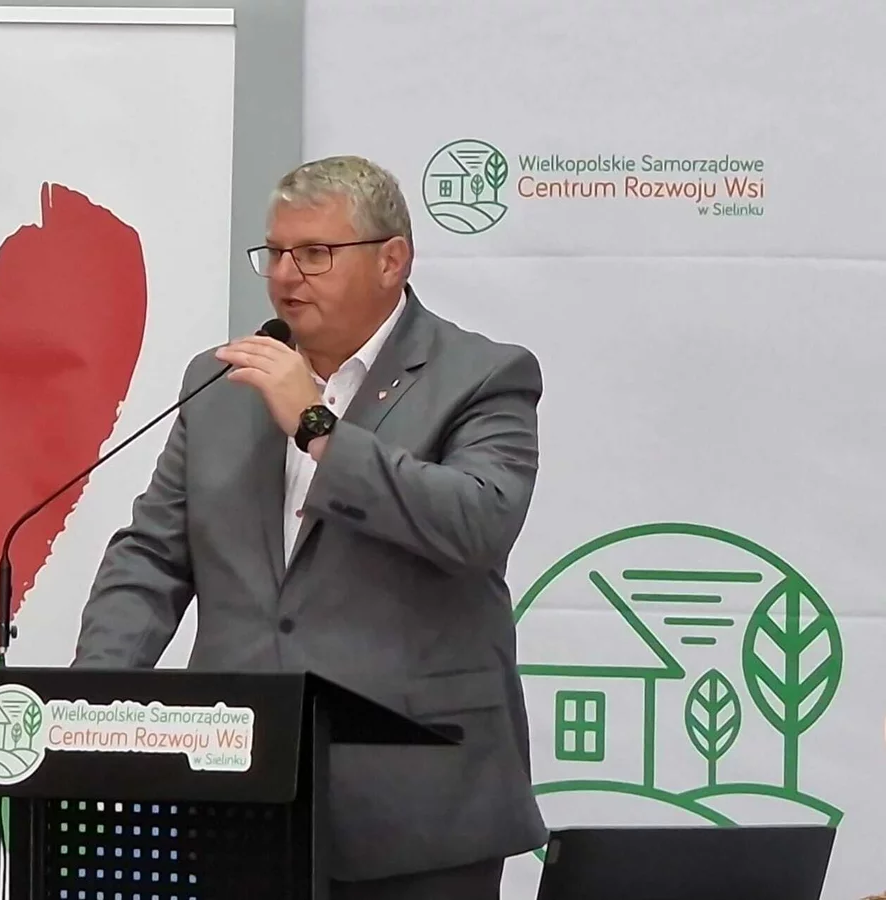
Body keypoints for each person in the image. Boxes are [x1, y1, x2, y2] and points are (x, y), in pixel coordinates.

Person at [72, 154, 548, 899]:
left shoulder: (482, 375)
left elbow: (476, 522)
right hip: (238, 791)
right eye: (276, 253)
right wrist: (90, 705)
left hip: (417, 803)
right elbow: (153, 556)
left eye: (315, 253)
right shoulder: (222, 381)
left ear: (392, 260)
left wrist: (318, 426)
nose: (286, 276)